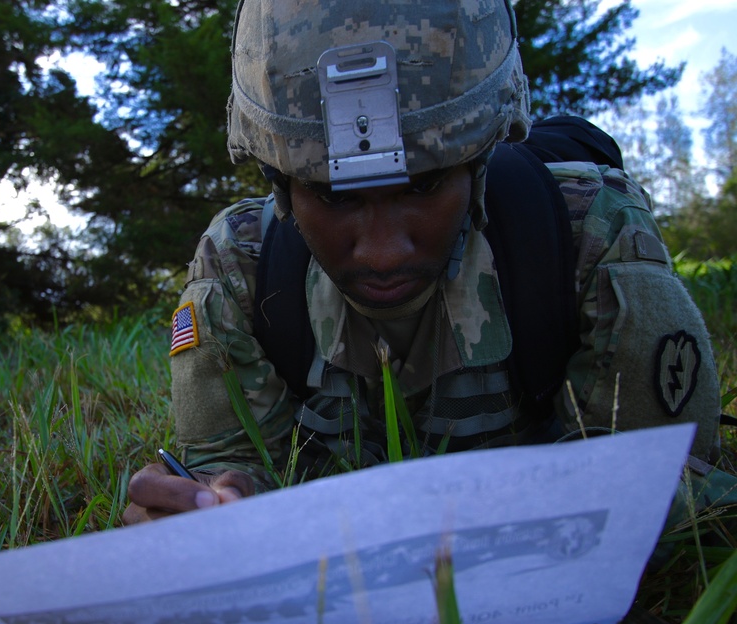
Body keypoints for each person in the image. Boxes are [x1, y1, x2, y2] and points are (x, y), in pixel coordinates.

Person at [123, 0, 722, 524]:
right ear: (279, 186)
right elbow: (228, 464)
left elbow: (676, 482)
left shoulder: (586, 231)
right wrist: (215, 503)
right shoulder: (241, 270)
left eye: (423, 185)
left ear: (479, 163)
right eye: (333, 195)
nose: (383, 250)